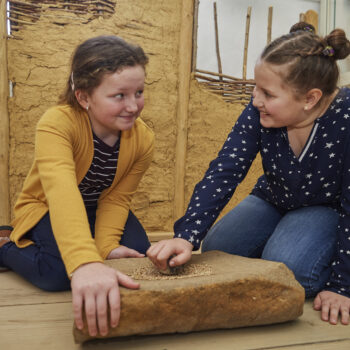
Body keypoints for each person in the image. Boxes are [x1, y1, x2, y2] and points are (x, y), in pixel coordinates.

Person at [147, 24, 350, 325]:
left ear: (309, 99)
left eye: (267, 93)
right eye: (256, 88)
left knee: (292, 271)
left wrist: (341, 285)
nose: (255, 99)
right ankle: (282, 240)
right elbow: (224, 170)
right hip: (273, 198)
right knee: (218, 250)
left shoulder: (345, 118)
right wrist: (186, 236)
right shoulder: (258, 110)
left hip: (325, 207)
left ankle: (295, 247)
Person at [0, 35, 154, 337]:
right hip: (48, 206)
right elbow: (61, 191)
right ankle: (6, 246)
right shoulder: (56, 123)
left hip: (96, 207)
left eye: (139, 92)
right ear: (84, 97)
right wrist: (85, 261)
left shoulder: (143, 139)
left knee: (138, 254)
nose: (133, 106)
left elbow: (118, 198)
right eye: (119, 96)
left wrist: (106, 248)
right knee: (58, 273)